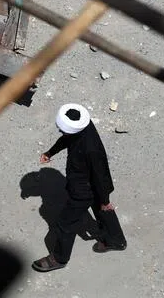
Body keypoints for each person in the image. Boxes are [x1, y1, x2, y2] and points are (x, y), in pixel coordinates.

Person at [32, 103, 127, 272]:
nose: (61, 132)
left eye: (63, 129)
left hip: (82, 190)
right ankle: (115, 240)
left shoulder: (91, 149)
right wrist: (51, 152)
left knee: (65, 223)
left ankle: (59, 258)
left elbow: (101, 173)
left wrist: (105, 199)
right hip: (90, 184)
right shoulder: (83, 125)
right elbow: (67, 138)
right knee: (101, 210)